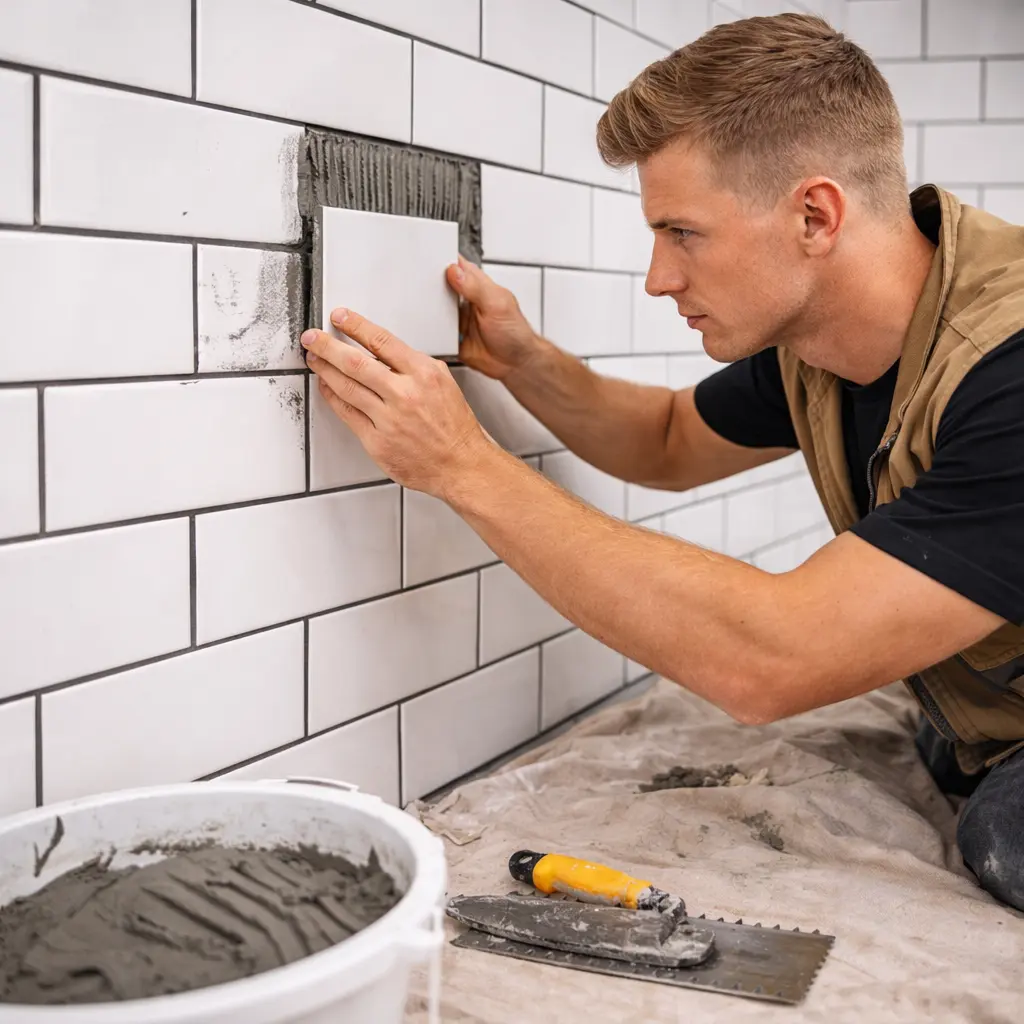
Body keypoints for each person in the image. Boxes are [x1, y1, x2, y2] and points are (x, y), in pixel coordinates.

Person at [298, 14, 1024, 911]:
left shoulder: (1009, 368)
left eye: (683, 232)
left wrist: (461, 465)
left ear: (814, 214)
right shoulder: (831, 335)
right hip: (987, 707)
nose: (658, 277)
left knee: (1007, 833)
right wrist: (523, 359)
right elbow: (669, 441)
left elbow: (775, 661)